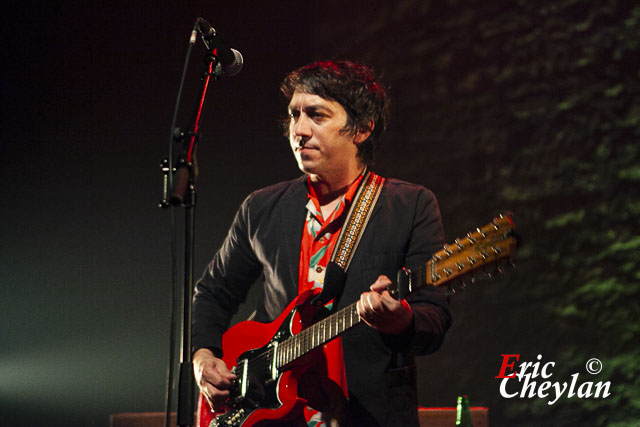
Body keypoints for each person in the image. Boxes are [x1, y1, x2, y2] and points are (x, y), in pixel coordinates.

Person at [192, 60, 452, 426]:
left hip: (367, 415)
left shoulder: (410, 206)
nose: (298, 130)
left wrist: (401, 321)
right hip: (272, 416)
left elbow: (435, 319)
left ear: (361, 129)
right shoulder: (261, 207)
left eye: (316, 115)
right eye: (293, 115)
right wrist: (203, 357)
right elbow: (213, 292)